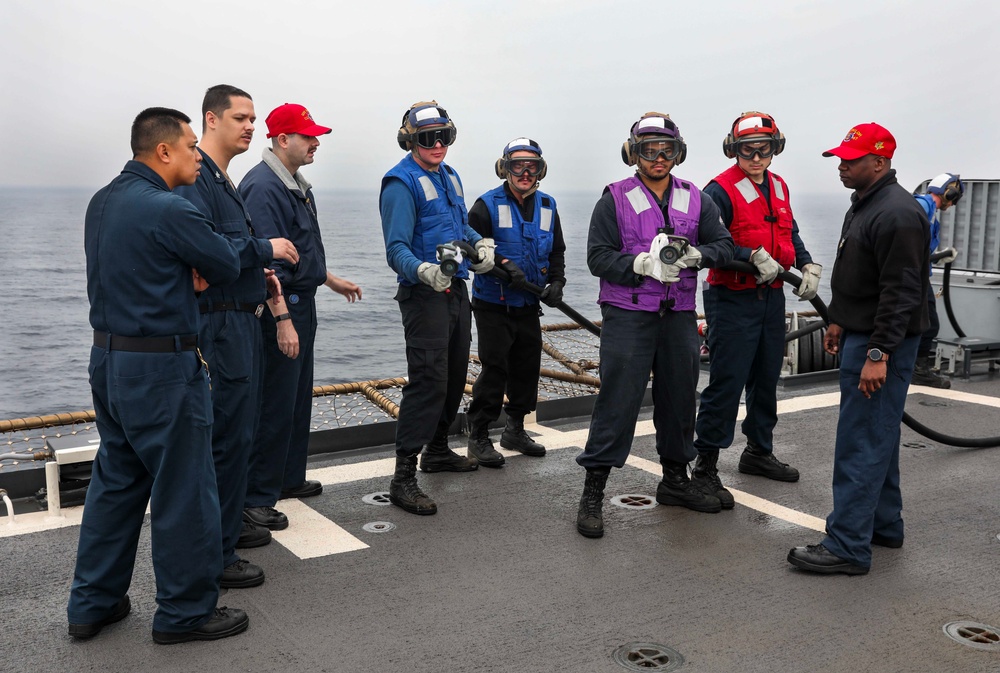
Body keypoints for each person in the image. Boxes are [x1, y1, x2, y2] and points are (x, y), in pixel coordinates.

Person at [69, 107, 249, 643]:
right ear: (163, 151)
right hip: (163, 368)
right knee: (184, 489)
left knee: (117, 482)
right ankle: (185, 613)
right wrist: (198, 270)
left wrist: (184, 271)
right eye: (192, 146)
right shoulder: (169, 208)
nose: (198, 155)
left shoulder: (101, 201)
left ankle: (92, 604)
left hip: (108, 360)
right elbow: (225, 262)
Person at [575, 112, 735, 538]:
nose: (658, 157)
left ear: (677, 152)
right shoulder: (615, 198)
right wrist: (640, 264)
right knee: (618, 400)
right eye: (649, 149)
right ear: (634, 153)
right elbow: (597, 258)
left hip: (679, 314)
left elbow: (724, 244)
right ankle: (593, 491)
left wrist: (698, 255)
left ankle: (675, 481)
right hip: (629, 314)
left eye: (665, 149)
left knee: (681, 397)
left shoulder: (696, 198)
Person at [788, 122, 930, 575]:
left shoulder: (897, 214)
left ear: (880, 162)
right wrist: (840, 324)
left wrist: (877, 353)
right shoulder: (866, 204)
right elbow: (861, 277)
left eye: (851, 160)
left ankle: (848, 545)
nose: (842, 167)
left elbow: (901, 292)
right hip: (859, 332)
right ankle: (884, 526)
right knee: (878, 437)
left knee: (861, 441)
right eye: (841, 159)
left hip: (880, 342)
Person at [174, 84, 300, 590]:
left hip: (242, 318)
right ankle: (218, 556)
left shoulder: (223, 180)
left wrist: (257, 275)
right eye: (241, 117)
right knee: (225, 441)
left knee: (239, 435)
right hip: (221, 326)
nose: (251, 126)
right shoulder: (198, 179)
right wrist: (262, 249)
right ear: (211, 119)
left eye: (254, 118)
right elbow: (207, 251)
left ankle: (227, 533)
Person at [239, 103, 362, 531]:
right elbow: (269, 261)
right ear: (282, 139)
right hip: (283, 306)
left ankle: (286, 478)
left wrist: (330, 280)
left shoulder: (292, 184)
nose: (316, 142)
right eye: (308, 136)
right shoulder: (263, 187)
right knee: (273, 402)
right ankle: (256, 496)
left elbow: (298, 249)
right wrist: (282, 320)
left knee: (294, 399)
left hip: (302, 300)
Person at [691, 112, 821, 508]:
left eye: (764, 148)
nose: (756, 156)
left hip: (772, 296)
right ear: (734, 149)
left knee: (766, 378)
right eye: (748, 148)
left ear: (774, 147)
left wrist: (806, 262)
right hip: (732, 299)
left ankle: (758, 452)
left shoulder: (778, 186)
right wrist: (748, 255)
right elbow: (708, 245)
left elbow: (788, 231)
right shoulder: (718, 190)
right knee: (727, 382)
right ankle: (706, 467)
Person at [379, 101, 495, 515]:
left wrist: (478, 242)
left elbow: (458, 225)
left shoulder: (450, 176)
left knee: (454, 375)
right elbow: (395, 249)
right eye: (429, 138)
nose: (438, 144)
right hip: (423, 295)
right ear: (411, 140)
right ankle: (403, 476)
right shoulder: (400, 182)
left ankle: (439, 449)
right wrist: (424, 271)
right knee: (428, 381)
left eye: (444, 136)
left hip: (455, 291)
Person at [466, 138, 567, 467]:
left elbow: (556, 252)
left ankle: (515, 429)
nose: (525, 172)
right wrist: (502, 270)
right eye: (517, 166)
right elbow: (469, 252)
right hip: (492, 304)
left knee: (527, 368)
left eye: (532, 166)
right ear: (504, 168)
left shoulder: (549, 206)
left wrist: (557, 283)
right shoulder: (486, 206)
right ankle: (479, 435)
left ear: (541, 169)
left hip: (529, 305)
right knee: (495, 369)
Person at [911, 173, 963, 388]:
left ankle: (911, 367)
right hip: (913, 277)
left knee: (924, 323)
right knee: (928, 324)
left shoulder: (928, 211)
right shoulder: (922, 207)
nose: (952, 204)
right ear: (948, 193)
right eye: (954, 198)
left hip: (919, 275)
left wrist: (938, 256)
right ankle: (918, 370)